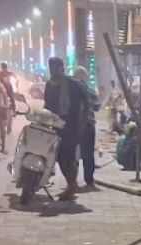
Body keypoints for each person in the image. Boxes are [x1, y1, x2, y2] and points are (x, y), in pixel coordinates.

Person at [43, 57, 87, 201]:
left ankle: (71, 187)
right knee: (60, 157)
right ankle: (71, 186)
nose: (53, 71)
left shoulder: (72, 84)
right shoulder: (49, 85)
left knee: (68, 157)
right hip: (56, 125)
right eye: (51, 68)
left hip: (71, 125)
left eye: (56, 68)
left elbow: (87, 100)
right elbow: (47, 104)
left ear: (62, 68)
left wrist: (83, 121)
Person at [73, 66, 101, 189]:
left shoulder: (71, 90)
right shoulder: (90, 90)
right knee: (88, 154)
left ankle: (72, 181)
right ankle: (89, 180)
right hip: (88, 125)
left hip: (73, 126)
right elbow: (97, 106)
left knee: (73, 154)